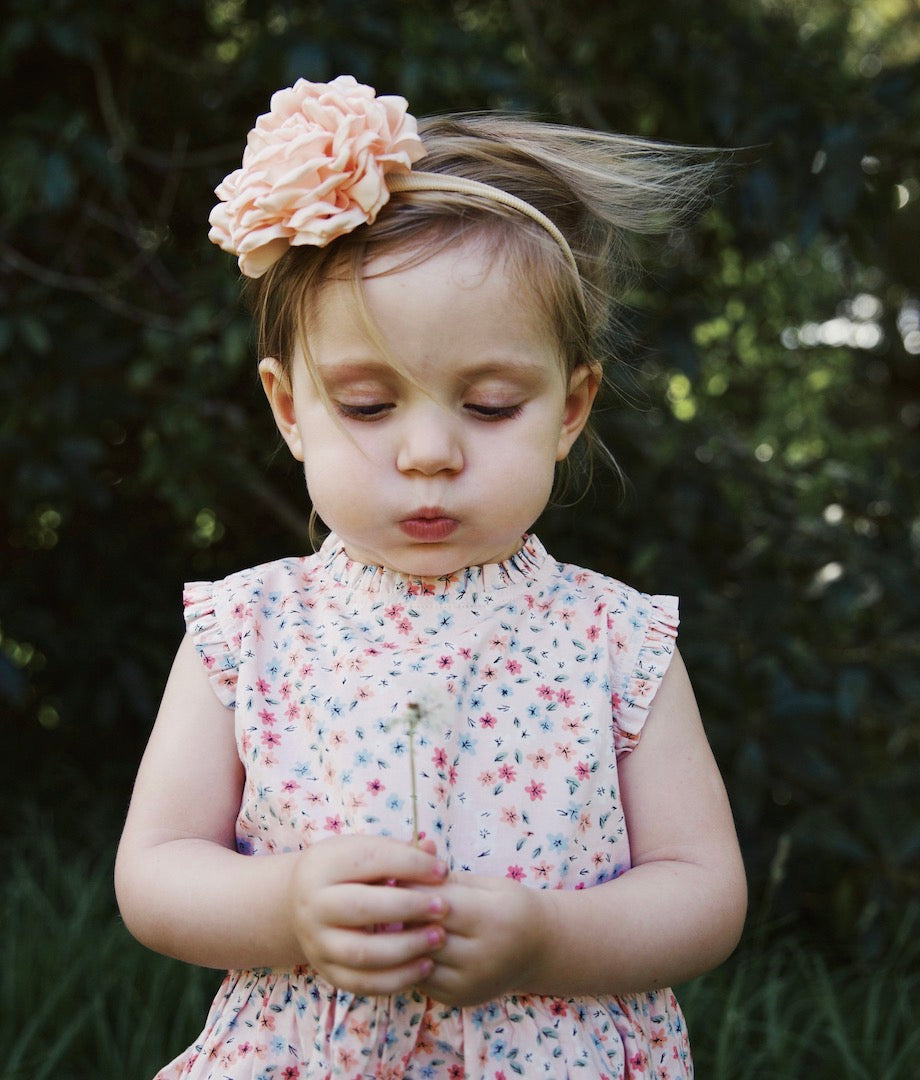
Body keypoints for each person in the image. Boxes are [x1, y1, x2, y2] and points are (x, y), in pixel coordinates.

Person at [115, 75, 747, 1080]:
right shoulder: (248, 629)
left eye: (490, 405)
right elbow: (154, 874)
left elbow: (704, 892)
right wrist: (287, 908)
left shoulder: (616, 640)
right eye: (368, 406)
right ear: (289, 408)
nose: (428, 453)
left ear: (570, 408)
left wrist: (549, 940)